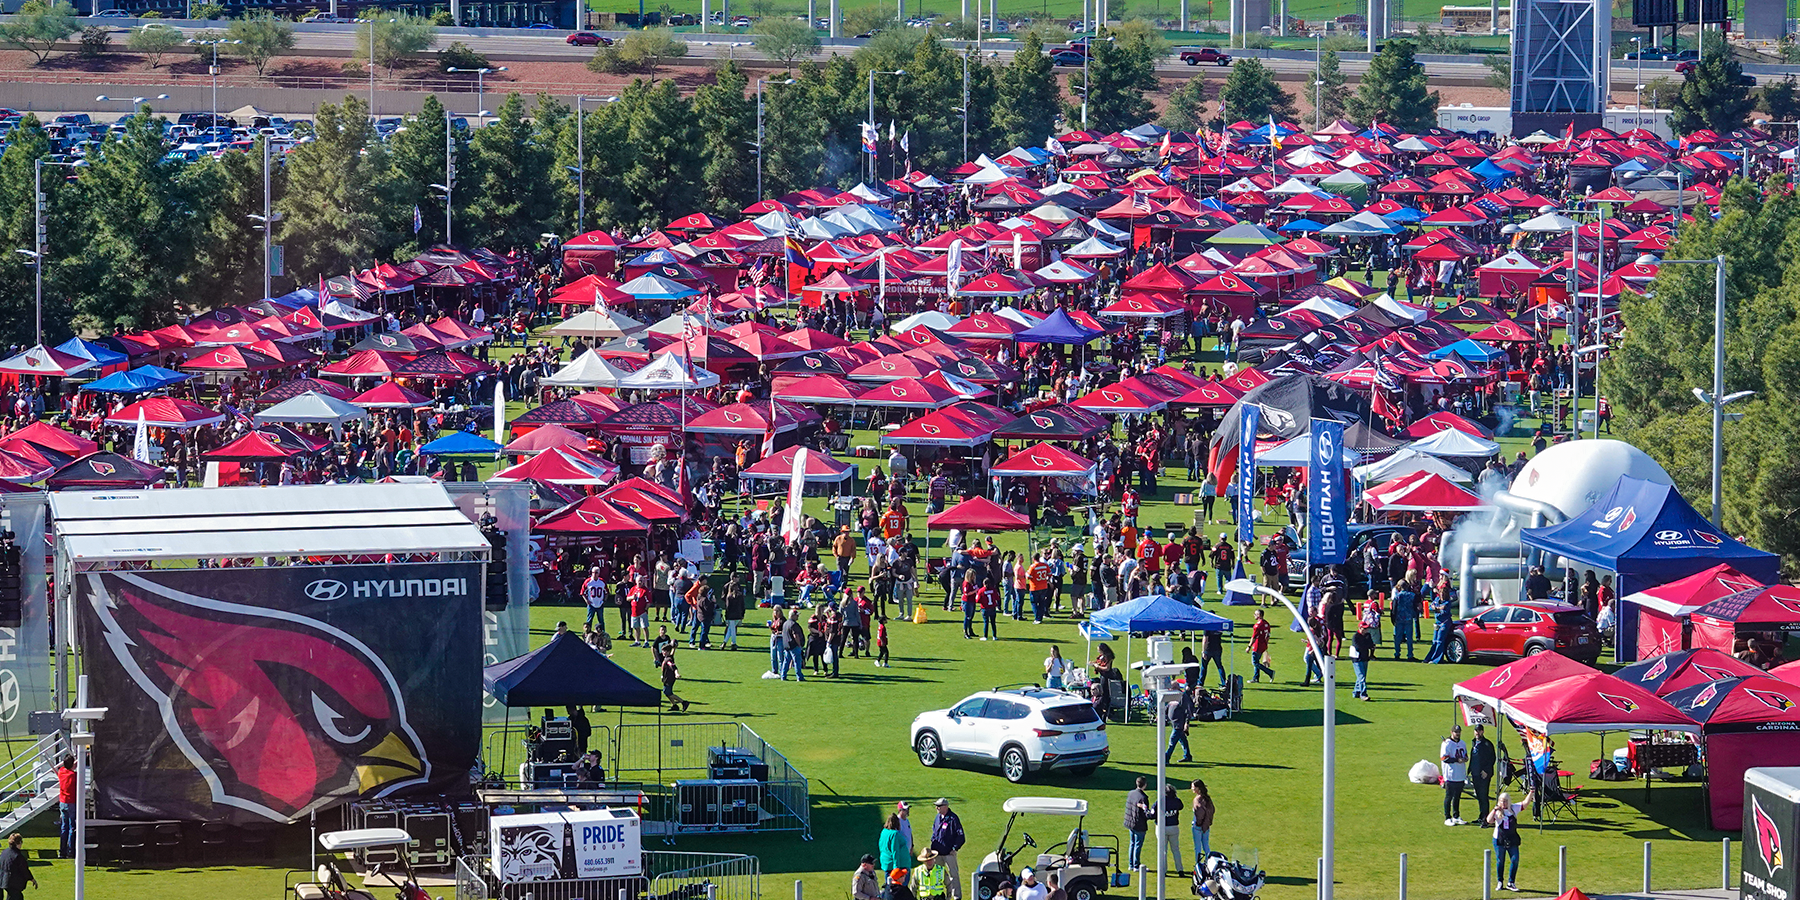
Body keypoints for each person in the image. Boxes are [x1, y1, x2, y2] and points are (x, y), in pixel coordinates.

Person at [1487, 789, 1534, 892]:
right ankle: (1500, 881)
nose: (1503, 803)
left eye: (1505, 801)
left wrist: (1531, 793)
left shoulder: (1513, 808)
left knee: (1515, 859)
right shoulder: (1498, 811)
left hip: (1512, 839)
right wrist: (1495, 810)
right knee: (1500, 860)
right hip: (1499, 839)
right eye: (1501, 801)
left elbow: (1525, 804)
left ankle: (1511, 882)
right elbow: (1489, 820)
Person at [930, 799, 966, 900]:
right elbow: (934, 832)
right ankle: (938, 896)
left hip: (949, 853)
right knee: (937, 875)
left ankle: (956, 896)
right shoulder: (937, 817)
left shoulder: (953, 819)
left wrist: (955, 848)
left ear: (945, 806)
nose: (937, 808)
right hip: (937, 853)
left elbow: (961, 836)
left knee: (953, 875)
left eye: (939, 806)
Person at [1441, 724, 1469, 826]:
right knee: (1449, 797)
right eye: (1455, 732)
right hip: (1450, 775)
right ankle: (1447, 817)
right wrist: (1457, 760)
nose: (1457, 734)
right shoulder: (1447, 744)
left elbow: (1465, 755)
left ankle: (1456, 816)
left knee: (1457, 797)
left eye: (1458, 732)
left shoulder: (1462, 743)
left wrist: (1465, 759)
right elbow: (1444, 758)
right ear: (1451, 732)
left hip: (1460, 774)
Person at [1470, 723, 1497, 824]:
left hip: (1484, 774)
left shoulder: (1487, 744)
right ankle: (1481, 816)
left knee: (1483, 796)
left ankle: (1486, 818)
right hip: (1475, 773)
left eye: (1480, 730)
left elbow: (1492, 758)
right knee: (1479, 796)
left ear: (1483, 731)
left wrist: (1486, 770)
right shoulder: (1474, 742)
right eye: (1476, 730)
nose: (1478, 732)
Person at [1124, 776, 1152, 870]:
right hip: (1139, 824)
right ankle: (1136, 865)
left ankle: (1131, 864)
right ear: (1145, 785)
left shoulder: (1131, 793)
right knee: (1137, 845)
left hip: (1130, 822)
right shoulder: (1143, 797)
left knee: (1132, 843)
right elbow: (1146, 814)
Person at [0, 834, 35, 900]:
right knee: (17, 897)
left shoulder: (4, 852)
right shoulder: (18, 856)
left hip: (3, 879)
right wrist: (31, 878)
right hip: (13, 882)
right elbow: (24, 869)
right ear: (19, 843)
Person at [1159, 781, 1183, 876]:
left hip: (1162, 828)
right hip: (1174, 827)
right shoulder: (1176, 801)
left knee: (1163, 850)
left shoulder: (1161, 801)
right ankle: (1180, 869)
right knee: (1176, 850)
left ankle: (1163, 871)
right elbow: (1181, 806)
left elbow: (1152, 813)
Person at [1164, 688, 1194, 763]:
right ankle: (1187, 756)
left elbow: (1187, 711)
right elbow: (1167, 707)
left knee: (1172, 741)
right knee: (1182, 740)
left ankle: (1166, 758)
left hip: (1179, 724)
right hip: (1174, 724)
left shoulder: (1182, 697)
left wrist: (1186, 723)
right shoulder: (1172, 697)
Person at [1189, 780, 1215, 869]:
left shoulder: (1197, 800)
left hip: (1198, 826)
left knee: (1198, 848)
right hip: (1206, 826)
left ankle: (1198, 865)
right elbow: (1211, 811)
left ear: (1198, 788)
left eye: (1193, 787)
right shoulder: (1207, 798)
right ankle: (1209, 863)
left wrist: (1199, 823)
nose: (1191, 788)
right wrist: (1207, 823)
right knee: (1206, 846)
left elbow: (1199, 813)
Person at [1248, 609, 1275, 682]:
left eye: (1255, 614)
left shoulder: (1257, 625)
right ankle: (1256, 678)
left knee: (1255, 662)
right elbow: (1268, 635)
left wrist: (1249, 646)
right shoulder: (1266, 623)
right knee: (1257, 661)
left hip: (1257, 645)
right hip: (1263, 644)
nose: (1254, 615)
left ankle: (1270, 672)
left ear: (1259, 615)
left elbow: (1254, 637)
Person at [660, 648, 691, 712]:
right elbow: (672, 653)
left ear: (668, 651)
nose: (663, 652)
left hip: (669, 679)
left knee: (667, 692)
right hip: (666, 678)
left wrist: (676, 673)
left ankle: (683, 702)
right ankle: (674, 705)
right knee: (667, 693)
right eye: (662, 651)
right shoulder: (668, 657)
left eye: (665, 651)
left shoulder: (668, 660)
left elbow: (673, 667)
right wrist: (674, 648)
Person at [1350, 623, 1375, 700]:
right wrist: (1367, 646)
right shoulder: (1356, 637)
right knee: (1361, 677)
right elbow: (1358, 647)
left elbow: (1371, 645)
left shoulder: (1367, 635)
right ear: (1360, 628)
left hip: (1365, 658)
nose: (1366, 630)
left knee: (1361, 676)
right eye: (1364, 628)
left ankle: (1356, 692)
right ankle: (1363, 694)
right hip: (1357, 659)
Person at [56, 756, 74, 859]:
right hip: (71, 802)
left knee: (64, 827)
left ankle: (62, 851)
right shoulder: (73, 776)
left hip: (63, 802)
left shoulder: (61, 772)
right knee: (72, 827)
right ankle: (71, 851)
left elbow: (64, 768)